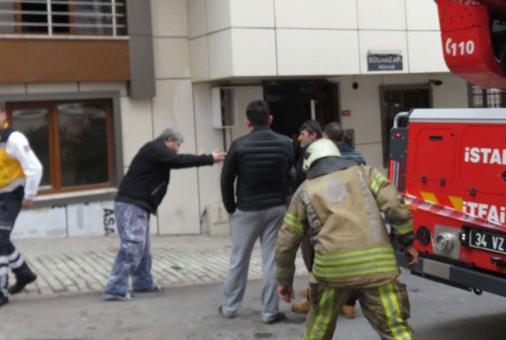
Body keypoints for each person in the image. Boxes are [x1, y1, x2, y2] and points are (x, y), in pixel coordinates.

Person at [276, 139, 434, 340]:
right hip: (378, 268)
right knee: (394, 328)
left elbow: (287, 239)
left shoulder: (304, 191)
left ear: (308, 164)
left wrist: (284, 278)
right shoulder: (366, 173)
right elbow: (394, 205)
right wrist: (407, 241)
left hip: (332, 272)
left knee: (321, 317)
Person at [103, 129, 225, 301]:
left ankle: (142, 283)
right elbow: (178, 161)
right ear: (169, 140)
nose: (178, 149)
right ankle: (115, 289)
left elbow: (178, 160)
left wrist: (199, 159)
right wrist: (208, 159)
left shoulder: (157, 151)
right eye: (177, 145)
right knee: (132, 245)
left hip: (137, 205)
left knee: (142, 247)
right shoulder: (156, 149)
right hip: (131, 204)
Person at [219, 100, 295, 323]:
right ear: (270, 119)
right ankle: (270, 311)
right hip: (276, 208)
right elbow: (291, 174)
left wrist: (230, 207)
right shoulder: (285, 143)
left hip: (247, 209)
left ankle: (229, 307)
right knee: (271, 260)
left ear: (247, 122)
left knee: (238, 260)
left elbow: (226, 179)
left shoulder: (239, 145)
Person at [0, 99, 43, 310]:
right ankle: (24, 274)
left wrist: (29, 195)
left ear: (4, 115)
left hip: (8, 199)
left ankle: (0, 292)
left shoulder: (13, 138)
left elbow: (35, 167)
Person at [291, 119, 358, 319]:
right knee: (347, 258)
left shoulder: (320, 157)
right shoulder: (357, 157)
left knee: (316, 257)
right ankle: (349, 303)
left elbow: (306, 182)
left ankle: (315, 300)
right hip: (349, 213)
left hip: (322, 213)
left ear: (325, 137)